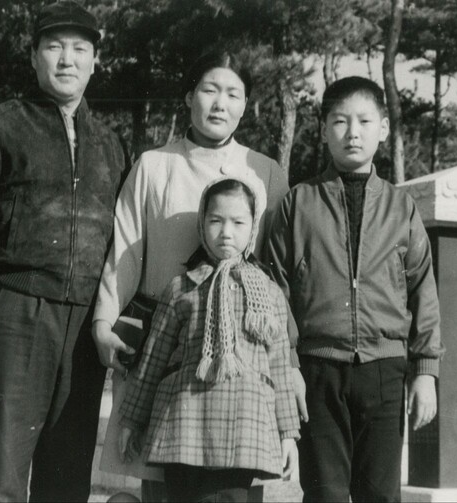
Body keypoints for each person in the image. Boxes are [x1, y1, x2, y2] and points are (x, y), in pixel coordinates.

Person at [92, 50, 307, 501]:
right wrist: (102, 324)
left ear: (246, 105)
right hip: (164, 345)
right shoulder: (154, 165)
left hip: (243, 373)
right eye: (209, 90)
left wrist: (289, 361)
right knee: (162, 484)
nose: (219, 103)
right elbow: (125, 254)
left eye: (233, 94)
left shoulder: (266, 171)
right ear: (190, 96)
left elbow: (278, 278)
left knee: (234, 488)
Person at [0, 2, 129, 501]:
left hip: (85, 323)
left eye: (79, 49)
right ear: (33, 56)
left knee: (67, 477)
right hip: (17, 312)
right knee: (6, 472)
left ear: (95, 61)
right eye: (53, 47)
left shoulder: (112, 145)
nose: (66, 60)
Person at [267, 76, 445, 502]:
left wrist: (425, 373)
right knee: (325, 493)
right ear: (324, 129)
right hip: (316, 371)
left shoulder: (401, 207)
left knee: (380, 494)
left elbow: (422, 289)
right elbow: (274, 291)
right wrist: (287, 366)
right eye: (340, 121)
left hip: (384, 371)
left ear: (383, 128)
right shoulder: (297, 203)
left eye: (365, 120)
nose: (353, 132)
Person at [118, 178, 300, 503]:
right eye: (216, 221)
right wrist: (131, 419)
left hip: (243, 430)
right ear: (202, 226)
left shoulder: (269, 293)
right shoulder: (181, 288)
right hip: (184, 426)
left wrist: (288, 434)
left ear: (252, 227)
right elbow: (153, 360)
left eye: (238, 222)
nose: (226, 232)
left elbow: (281, 371)